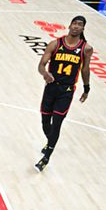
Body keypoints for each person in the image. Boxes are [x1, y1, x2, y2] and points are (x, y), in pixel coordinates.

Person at [35, 15, 93, 172]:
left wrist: (86, 88)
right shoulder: (55, 44)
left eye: (79, 24)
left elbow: (85, 69)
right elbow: (41, 65)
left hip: (66, 91)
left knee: (57, 123)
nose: (76, 26)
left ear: (83, 28)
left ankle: (46, 157)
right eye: (74, 23)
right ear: (69, 25)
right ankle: (50, 142)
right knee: (45, 123)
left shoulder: (86, 49)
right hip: (51, 88)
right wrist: (45, 74)